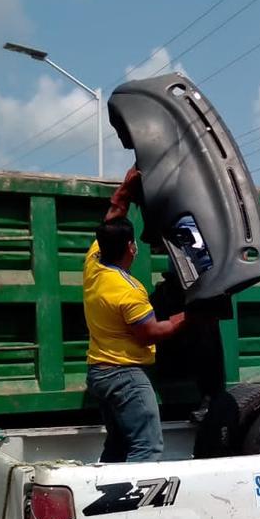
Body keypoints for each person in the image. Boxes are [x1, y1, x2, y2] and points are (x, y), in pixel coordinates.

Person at [84, 166, 189, 462]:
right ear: (131, 248)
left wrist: (124, 193)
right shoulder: (129, 290)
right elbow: (150, 334)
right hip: (125, 376)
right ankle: (133, 508)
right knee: (147, 447)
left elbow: (111, 221)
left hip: (99, 373)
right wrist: (190, 315)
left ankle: (104, 502)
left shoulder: (93, 265)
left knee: (118, 445)